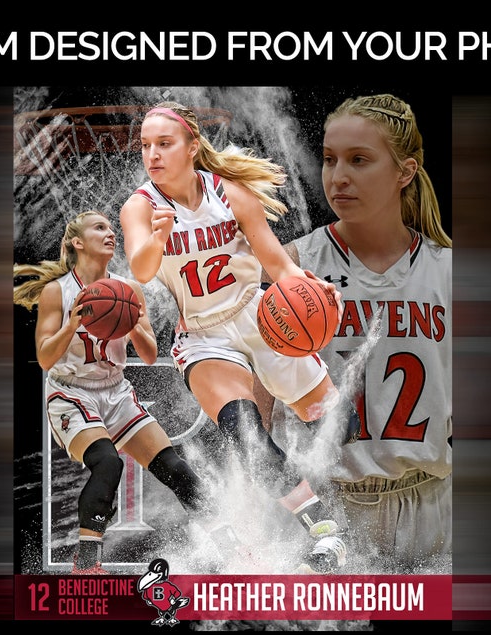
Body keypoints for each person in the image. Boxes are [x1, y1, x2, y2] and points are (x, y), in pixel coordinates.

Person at [119, 102, 361, 573]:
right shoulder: (140, 207)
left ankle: (324, 497)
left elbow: (278, 263)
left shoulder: (230, 193)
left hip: (260, 315)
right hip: (204, 336)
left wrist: (312, 288)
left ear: (192, 146)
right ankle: (327, 534)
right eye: (145, 145)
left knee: (339, 426)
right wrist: (158, 240)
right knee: (246, 434)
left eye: (164, 144)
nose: (152, 155)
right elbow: (141, 268)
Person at [261, 93, 452, 579]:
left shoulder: (450, 271)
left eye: (359, 160)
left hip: (432, 504)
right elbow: (256, 411)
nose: (338, 176)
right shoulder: (292, 266)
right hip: (325, 510)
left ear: (405, 172)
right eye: (330, 159)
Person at [13, 210, 236, 574]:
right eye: (99, 227)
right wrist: (72, 325)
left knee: (175, 468)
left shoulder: (128, 291)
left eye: (110, 227)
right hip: (71, 392)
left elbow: (148, 355)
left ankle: (235, 550)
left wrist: (131, 322)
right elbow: (45, 358)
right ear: (77, 242)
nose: (110, 232)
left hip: (116, 390)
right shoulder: (58, 292)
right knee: (108, 462)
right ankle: (86, 564)